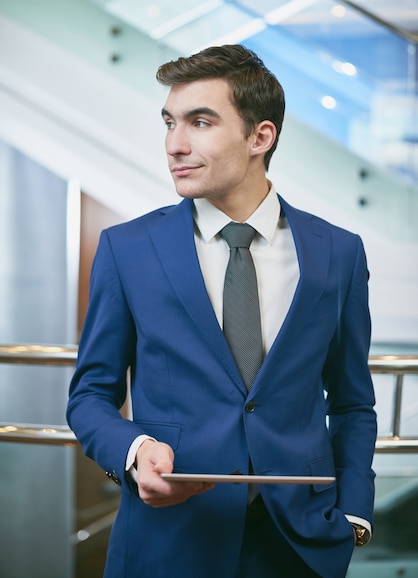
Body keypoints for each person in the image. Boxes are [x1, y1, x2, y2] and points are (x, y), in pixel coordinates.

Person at [67, 44, 377, 578]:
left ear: (261, 136)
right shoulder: (127, 248)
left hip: (300, 545)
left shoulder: (338, 253)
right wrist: (137, 450)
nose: (174, 144)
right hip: (169, 539)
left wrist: (353, 514)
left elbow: (352, 402)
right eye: (169, 123)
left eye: (200, 122)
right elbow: (91, 395)